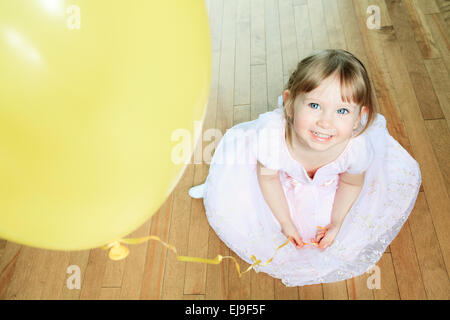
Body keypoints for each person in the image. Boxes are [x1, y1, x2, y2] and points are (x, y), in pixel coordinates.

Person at [188, 49, 421, 286]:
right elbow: (268, 180)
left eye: (342, 111)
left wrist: (337, 222)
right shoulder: (272, 139)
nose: (325, 121)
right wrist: (286, 223)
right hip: (277, 183)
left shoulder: (357, 148)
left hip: (332, 187)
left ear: (359, 117)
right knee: (239, 205)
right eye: (314, 105)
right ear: (289, 103)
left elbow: (351, 183)